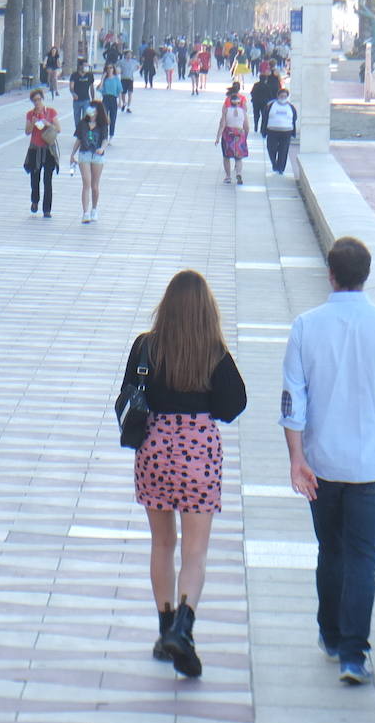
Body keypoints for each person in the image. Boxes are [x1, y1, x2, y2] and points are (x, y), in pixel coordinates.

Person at [280, 236, 375, 686]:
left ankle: (329, 631)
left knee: (331, 549)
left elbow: (292, 399)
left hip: (322, 461)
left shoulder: (306, 326)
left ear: (331, 274)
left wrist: (296, 458)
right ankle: (354, 653)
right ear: (366, 276)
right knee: (363, 556)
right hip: (372, 463)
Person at [123, 270, 246, 677]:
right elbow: (233, 406)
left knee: (162, 544)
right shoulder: (213, 352)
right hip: (198, 453)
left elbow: (126, 397)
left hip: (154, 450)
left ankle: (164, 629)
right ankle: (184, 627)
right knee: (195, 551)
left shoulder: (146, 347)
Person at [22, 88, 61, 217]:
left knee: (48, 180)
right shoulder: (30, 114)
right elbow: (27, 132)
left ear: (42, 99)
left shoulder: (50, 112)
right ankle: (34, 201)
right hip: (35, 148)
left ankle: (47, 209)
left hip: (48, 148)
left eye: (39, 99)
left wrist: (48, 123)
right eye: (35, 101)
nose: (37, 102)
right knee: (35, 178)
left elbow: (59, 129)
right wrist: (33, 124)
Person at [71, 97, 108, 223]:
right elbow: (79, 139)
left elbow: (104, 139)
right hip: (84, 154)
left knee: (95, 185)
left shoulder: (102, 124)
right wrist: (72, 154)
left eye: (93, 109)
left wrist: (102, 148)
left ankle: (94, 209)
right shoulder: (83, 124)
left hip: (97, 155)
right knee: (86, 183)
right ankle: (85, 212)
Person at [216, 83, 250, 185]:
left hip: (228, 134)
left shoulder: (226, 111)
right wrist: (245, 137)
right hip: (239, 134)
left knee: (226, 156)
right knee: (238, 157)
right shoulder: (243, 112)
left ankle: (228, 176)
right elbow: (247, 127)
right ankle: (238, 173)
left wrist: (218, 137)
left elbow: (222, 125)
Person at [264, 87, 298, 175]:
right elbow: (265, 117)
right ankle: (274, 163)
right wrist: (263, 130)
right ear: (278, 96)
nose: (283, 97)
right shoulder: (271, 105)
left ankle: (281, 168)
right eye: (281, 96)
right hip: (272, 131)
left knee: (283, 150)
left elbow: (294, 118)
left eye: (285, 96)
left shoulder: (290, 107)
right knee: (271, 148)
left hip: (286, 132)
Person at [249, 69, 282, 134]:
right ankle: (262, 128)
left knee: (256, 114)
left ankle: (256, 126)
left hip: (256, 102)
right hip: (264, 102)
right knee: (264, 115)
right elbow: (270, 95)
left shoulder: (256, 85)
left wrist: (253, 98)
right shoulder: (267, 86)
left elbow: (252, 92)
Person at [68, 58, 95, 132]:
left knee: (86, 118)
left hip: (86, 99)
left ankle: (84, 134)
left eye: (87, 66)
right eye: (84, 66)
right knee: (77, 119)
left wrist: (93, 99)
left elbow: (92, 87)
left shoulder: (90, 75)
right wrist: (73, 93)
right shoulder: (74, 75)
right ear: (80, 66)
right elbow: (71, 87)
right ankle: (78, 133)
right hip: (76, 101)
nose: (86, 68)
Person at [100, 62, 122, 139]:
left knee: (113, 118)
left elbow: (119, 90)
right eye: (108, 68)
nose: (109, 70)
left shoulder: (116, 79)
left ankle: (111, 135)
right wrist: (102, 79)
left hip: (113, 99)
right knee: (104, 118)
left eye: (111, 68)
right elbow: (100, 89)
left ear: (113, 69)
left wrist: (120, 101)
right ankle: (104, 135)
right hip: (105, 98)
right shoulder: (105, 79)